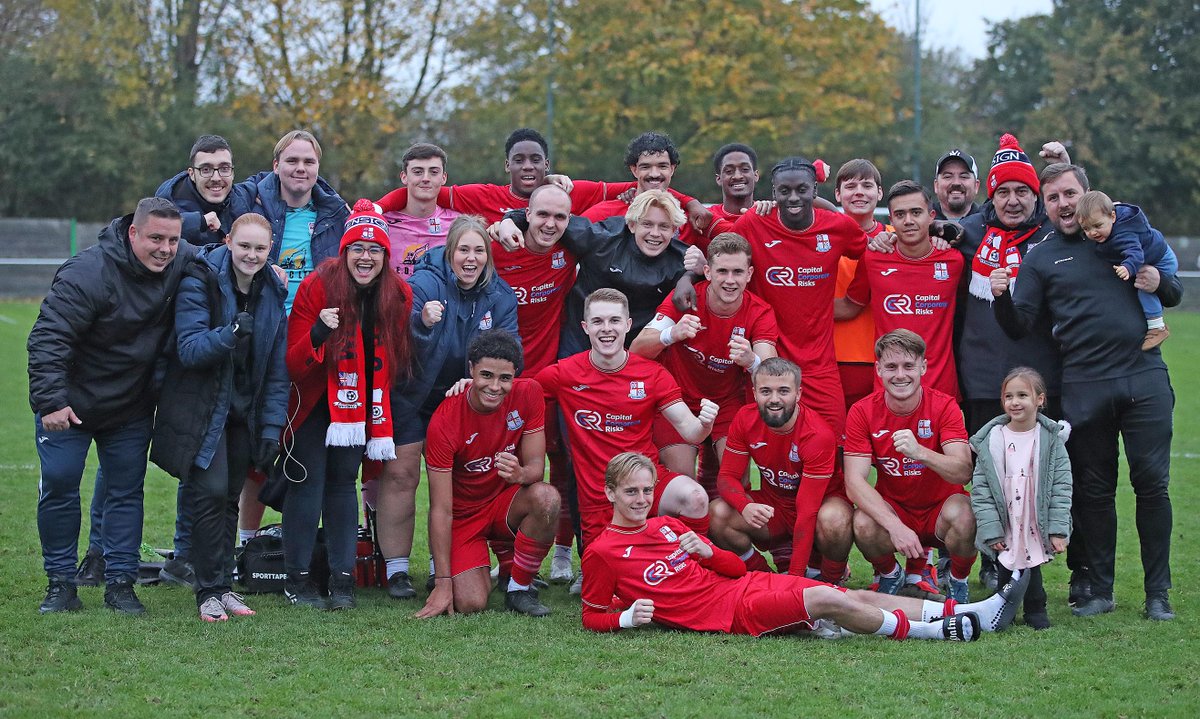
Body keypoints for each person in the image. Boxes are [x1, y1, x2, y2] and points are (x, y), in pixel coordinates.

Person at [991, 162, 1182, 621]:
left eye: (1070, 194)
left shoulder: (1125, 233)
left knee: (1151, 485)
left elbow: (1172, 289)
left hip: (1144, 377)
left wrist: (1161, 282)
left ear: (1087, 193)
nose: (1064, 204)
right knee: (1094, 492)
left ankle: (1158, 593)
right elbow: (1020, 327)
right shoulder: (1040, 256)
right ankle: (1099, 589)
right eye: (1053, 198)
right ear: (1045, 205)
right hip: (1084, 385)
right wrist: (1001, 297)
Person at [581, 452, 1029, 640]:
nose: (641, 500)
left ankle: (967, 614)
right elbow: (590, 612)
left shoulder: (664, 525)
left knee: (849, 595)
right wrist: (622, 617)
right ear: (611, 494)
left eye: (645, 491)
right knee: (822, 596)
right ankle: (937, 632)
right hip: (729, 615)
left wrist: (706, 552)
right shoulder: (602, 551)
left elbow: (733, 572)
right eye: (631, 493)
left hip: (741, 587)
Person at [29, 197, 197, 614]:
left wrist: (268, 270)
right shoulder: (87, 272)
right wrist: (51, 401)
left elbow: (224, 260)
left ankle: (120, 583)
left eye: (173, 240)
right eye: (155, 238)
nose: (165, 248)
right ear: (132, 232)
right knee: (60, 484)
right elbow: (49, 338)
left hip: (130, 405)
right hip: (70, 403)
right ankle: (60, 584)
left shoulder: (180, 260)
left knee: (125, 492)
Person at [150, 213, 288, 621]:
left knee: (229, 497)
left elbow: (277, 369)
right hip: (203, 409)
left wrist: (270, 429)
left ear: (270, 249)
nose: (251, 254)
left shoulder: (273, 290)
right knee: (208, 493)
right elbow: (189, 348)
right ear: (229, 242)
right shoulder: (201, 279)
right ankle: (207, 589)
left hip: (244, 412)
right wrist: (229, 334)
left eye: (260, 248)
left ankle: (222, 585)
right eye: (244, 245)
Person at [282, 200, 415, 610]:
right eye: (357, 247)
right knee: (307, 484)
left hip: (360, 406)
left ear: (386, 255)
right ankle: (297, 581)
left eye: (375, 249)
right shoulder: (317, 285)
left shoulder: (398, 293)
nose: (366, 256)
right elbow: (293, 361)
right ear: (344, 251)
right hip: (314, 400)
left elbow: (398, 358)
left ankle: (342, 581)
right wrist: (320, 332)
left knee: (342, 485)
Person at [381, 215, 519, 598]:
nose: (470, 258)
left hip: (464, 399)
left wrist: (477, 380)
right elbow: (398, 328)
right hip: (413, 393)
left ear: (488, 256)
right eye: (463, 250)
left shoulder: (501, 294)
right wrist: (422, 323)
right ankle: (395, 571)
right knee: (401, 474)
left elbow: (509, 350)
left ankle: (437, 566)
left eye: (479, 251)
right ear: (450, 253)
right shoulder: (425, 282)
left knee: (455, 483)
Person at [692, 156, 868, 440]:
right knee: (771, 452)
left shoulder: (837, 227)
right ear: (773, 193)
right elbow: (719, 258)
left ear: (814, 190)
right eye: (784, 191)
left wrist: (855, 300)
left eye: (802, 189)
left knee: (833, 446)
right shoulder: (754, 222)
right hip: (767, 360)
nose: (794, 197)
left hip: (820, 366)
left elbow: (871, 253)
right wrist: (687, 280)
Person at [534, 289, 718, 552]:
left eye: (614, 321)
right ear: (585, 327)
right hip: (600, 497)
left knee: (696, 497)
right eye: (598, 322)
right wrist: (473, 385)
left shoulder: (652, 373)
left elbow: (690, 431)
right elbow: (519, 394)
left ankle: (694, 566)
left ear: (628, 325)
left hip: (646, 486)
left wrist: (704, 424)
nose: (606, 329)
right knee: (608, 581)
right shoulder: (563, 374)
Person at [415, 330, 559, 618]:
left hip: (504, 504)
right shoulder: (444, 422)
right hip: (464, 517)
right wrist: (444, 583)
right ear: (470, 370)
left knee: (547, 498)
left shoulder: (529, 393)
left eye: (505, 378)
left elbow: (535, 468)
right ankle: (497, 559)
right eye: (486, 375)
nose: (495, 386)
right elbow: (441, 510)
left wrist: (519, 474)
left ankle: (519, 586)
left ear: (515, 375)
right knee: (470, 603)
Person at [630, 232, 778, 483]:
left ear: (749, 275)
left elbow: (771, 372)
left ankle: (720, 520)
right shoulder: (686, 299)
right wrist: (672, 334)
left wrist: (751, 360)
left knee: (736, 480)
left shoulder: (759, 311)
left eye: (737, 272)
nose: (729, 281)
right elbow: (636, 349)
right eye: (722, 272)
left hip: (727, 403)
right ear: (708, 272)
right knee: (681, 482)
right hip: (677, 400)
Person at [488, 183, 579, 583]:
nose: (550, 223)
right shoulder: (496, 248)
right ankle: (505, 558)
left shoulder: (570, 251)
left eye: (560, 217)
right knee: (500, 468)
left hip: (548, 380)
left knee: (559, 465)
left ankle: (559, 555)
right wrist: (498, 224)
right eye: (542, 214)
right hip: (499, 381)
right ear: (525, 212)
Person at [843, 330, 977, 603]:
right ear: (878, 369)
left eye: (908, 366)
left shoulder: (945, 406)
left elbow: (963, 470)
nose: (900, 375)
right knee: (863, 521)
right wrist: (895, 526)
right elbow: (854, 482)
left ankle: (958, 579)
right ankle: (891, 575)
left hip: (940, 509)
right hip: (898, 509)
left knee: (967, 514)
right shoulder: (862, 411)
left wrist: (921, 453)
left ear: (923, 367)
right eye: (891, 367)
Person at [497, 189, 691, 357]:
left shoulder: (681, 260)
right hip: (579, 341)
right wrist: (508, 221)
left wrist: (689, 276)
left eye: (664, 227)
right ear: (632, 225)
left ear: (674, 230)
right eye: (647, 224)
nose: (655, 233)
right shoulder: (602, 239)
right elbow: (548, 219)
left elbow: (712, 270)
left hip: (634, 348)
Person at [709, 358, 852, 583]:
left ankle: (830, 580)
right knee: (717, 512)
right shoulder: (745, 418)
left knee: (834, 519)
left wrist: (794, 580)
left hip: (819, 508)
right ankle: (762, 578)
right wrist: (744, 506)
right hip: (776, 507)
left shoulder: (817, 435)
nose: (774, 399)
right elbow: (727, 477)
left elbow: (807, 512)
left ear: (798, 394)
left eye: (783, 391)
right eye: (766, 391)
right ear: (754, 393)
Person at [836, 180, 963, 400]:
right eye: (900, 214)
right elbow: (849, 306)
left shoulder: (954, 260)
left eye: (916, 212)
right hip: (888, 392)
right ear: (891, 219)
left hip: (941, 393)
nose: (909, 221)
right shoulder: (875, 257)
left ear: (932, 216)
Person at [969, 367, 1072, 630]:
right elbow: (981, 489)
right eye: (1009, 396)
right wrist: (991, 529)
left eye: (1023, 395)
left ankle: (1036, 607)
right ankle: (1004, 607)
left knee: (1030, 561)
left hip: (1034, 516)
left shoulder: (1051, 441)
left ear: (1040, 399)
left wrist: (1058, 529)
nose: (1015, 402)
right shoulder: (991, 440)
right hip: (1006, 515)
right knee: (1006, 559)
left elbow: (1061, 487)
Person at [376, 128, 647, 224]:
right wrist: (378, 208)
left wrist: (690, 204)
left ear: (547, 164)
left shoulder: (569, 192)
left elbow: (646, 184)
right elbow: (423, 189)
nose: (527, 166)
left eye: (535, 160)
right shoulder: (484, 196)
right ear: (507, 166)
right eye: (519, 161)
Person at [1074, 190, 1177, 349]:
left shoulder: (1123, 234)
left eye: (1097, 226)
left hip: (1162, 260)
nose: (1092, 232)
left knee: (1143, 285)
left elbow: (1136, 254)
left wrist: (1127, 267)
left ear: (1113, 217)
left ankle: (1158, 328)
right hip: (1155, 254)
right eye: (1086, 229)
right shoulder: (1108, 219)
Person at [580, 131, 710, 247]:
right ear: (634, 170)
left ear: (672, 168)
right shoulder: (604, 214)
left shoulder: (690, 220)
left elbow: (721, 252)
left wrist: (694, 272)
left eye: (662, 166)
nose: (654, 174)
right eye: (645, 167)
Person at [384, 142, 460, 281]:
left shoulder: (458, 224)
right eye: (418, 172)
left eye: (434, 172)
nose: (425, 178)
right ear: (404, 177)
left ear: (444, 178)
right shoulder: (383, 223)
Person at [156, 134, 242, 245]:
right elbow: (154, 229)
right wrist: (200, 221)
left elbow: (263, 184)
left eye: (224, 169)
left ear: (232, 173)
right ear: (192, 174)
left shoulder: (240, 197)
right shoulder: (168, 205)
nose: (216, 178)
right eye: (206, 169)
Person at [710, 143, 761, 223]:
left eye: (745, 169)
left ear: (756, 175)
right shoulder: (706, 219)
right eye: (729, 171)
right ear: (719, 179)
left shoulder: (770, 216)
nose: (737, 176)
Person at [931, 149, 980, 222]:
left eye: (964, 176)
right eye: (948, 176)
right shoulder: (923, 223)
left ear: (976, 186)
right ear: (936, 185)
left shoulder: (988, 223)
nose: (956, 183)